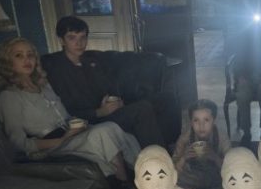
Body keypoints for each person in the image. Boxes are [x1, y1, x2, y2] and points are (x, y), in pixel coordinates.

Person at [0, 37, 140, 181]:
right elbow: (18, 143)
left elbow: (66, 117)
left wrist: (80, 125)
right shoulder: (9, 97)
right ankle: (125, 184)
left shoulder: (44, 86)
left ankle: (142, 172)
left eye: (30, 54)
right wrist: (61, 139)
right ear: (8, 61)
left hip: (71, 134)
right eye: (19, 55)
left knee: (112, 127)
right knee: (103, 132)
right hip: (52, 146)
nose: (27, 60)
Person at [41, 16, 180, 149]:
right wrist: (99, 112)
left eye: (83, 37)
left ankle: (172, 147)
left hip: (109, 110)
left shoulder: (91, 60)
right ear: (62, 40)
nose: (79, 43)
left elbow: (110, 86)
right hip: (91, 121)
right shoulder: (55, 68)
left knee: (165, 98)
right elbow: (66, 110)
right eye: (72, 38)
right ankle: (159, 159)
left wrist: (117, 100)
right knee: (142, 109)